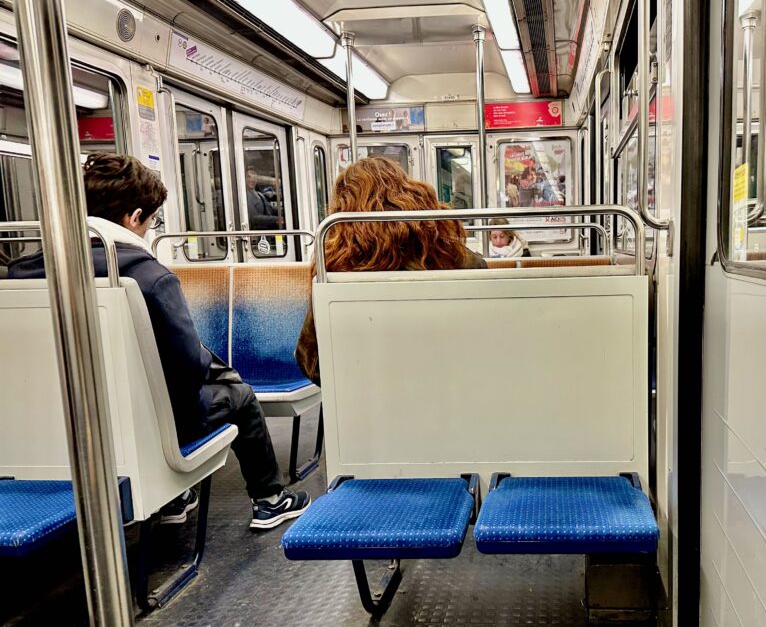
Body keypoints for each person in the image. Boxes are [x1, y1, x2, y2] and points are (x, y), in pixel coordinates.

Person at [8, 154, 309, 530]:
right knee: (240, 396)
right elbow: (187, 368)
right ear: (134, 217)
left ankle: (176, 498)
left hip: (52, 424)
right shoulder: (149, 277)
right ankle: (270, 500)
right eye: (151, 221)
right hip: (149, 425)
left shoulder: (23, 272)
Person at [295, 156, 485, 383]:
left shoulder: (334, 269)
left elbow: (312, 361)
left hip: (364, 402)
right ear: (409, 192)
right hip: (452, 388)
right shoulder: (456, 259)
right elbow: (481, 337)